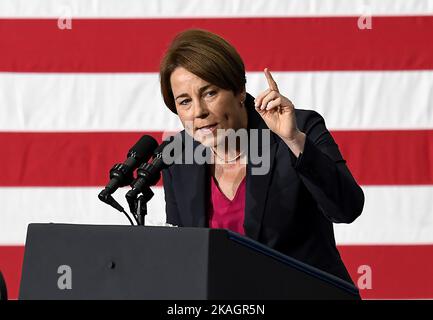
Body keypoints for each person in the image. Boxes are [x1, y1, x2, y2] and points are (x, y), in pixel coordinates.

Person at [159, 29, 364, 285]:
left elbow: (347, 209)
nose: (198, 111)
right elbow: (186, 252)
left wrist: (293, 140)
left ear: (239, 91)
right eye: (184, 101)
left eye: (209, 93)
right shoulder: (177, 155)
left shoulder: (299, 127)